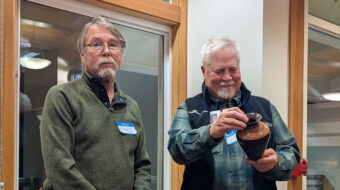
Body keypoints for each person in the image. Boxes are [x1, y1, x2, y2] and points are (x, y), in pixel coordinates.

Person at [168, 37, 300, 190]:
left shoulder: (265, 108)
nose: (227, 77)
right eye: (219, 71)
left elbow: (292, 154)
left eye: (233, 69)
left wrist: (276, 163)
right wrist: (210, 133)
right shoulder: (190, 109)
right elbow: (176, 150)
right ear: (204, 72)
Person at [40, 16, 151, 190]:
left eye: (114, 45)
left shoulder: (131, 107)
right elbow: (59, 168)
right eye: (97, 44)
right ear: (83, 55)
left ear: (120, 54)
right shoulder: (62, 97)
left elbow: (142, 166)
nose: (106, 51)